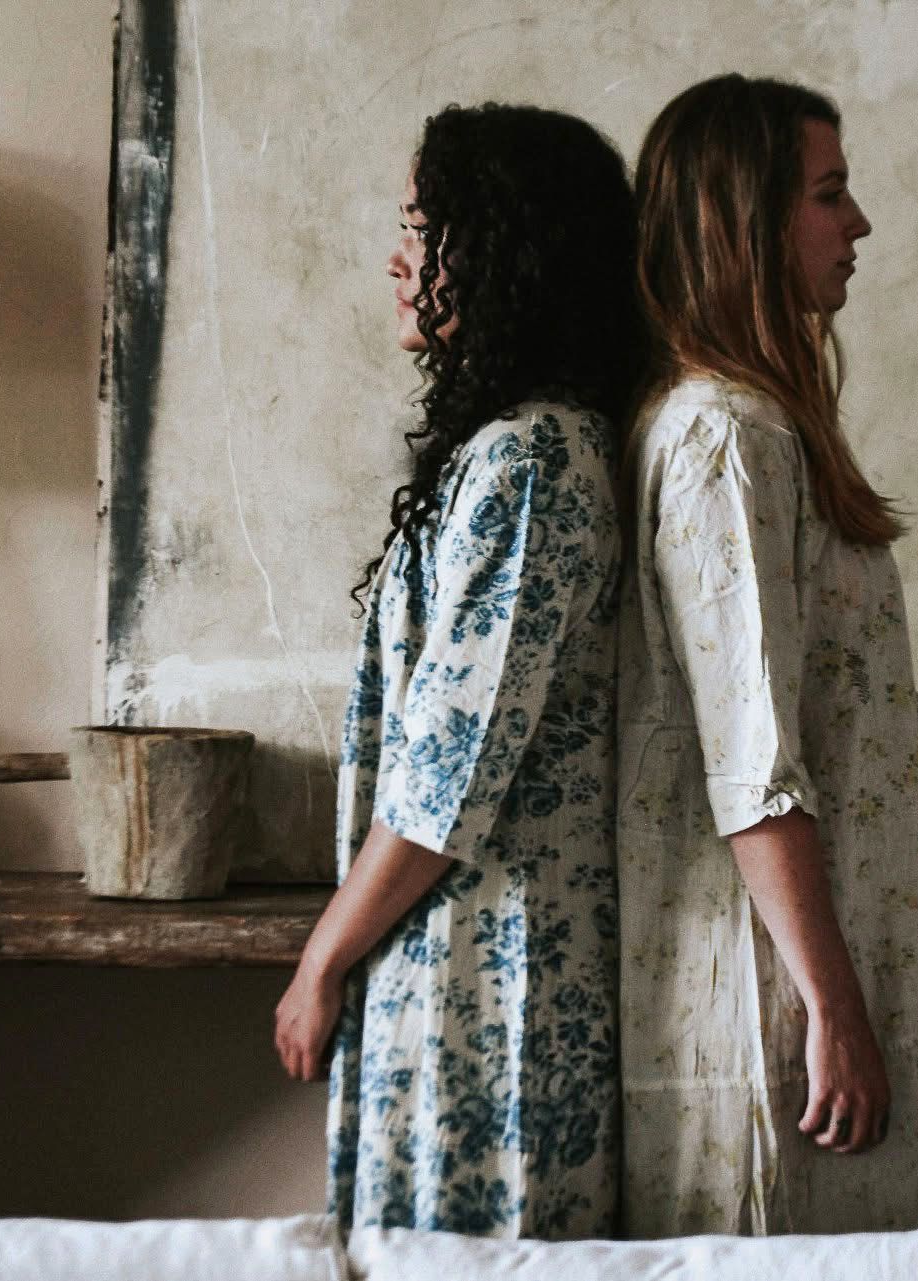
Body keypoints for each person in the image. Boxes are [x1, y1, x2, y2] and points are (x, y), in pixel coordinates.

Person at [273, 102, 643, 1238]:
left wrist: (320, 959)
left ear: (508, 252)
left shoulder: (534, 457)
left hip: (495, 974)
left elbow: (450, 769)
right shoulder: (512, 449)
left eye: (424, 230)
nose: (400, 256)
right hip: (455, 955)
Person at [617, 74, 918, 1236]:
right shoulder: (721, 440)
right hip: (771, 1012)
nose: (858, 223)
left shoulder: (755, 429)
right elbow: (752, 764)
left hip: (806, 982)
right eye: (830, 194)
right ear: (744, 224)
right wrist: (835, 1011)